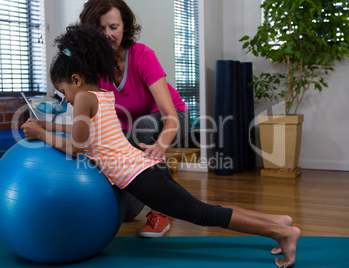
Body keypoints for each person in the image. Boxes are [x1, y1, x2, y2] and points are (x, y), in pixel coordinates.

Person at [21, 23, 301, 268]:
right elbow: (84, 132)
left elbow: (76, 146)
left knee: (204, 214)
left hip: (143, 179)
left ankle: (283, 234)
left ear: (76, 80)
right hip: (146, 170)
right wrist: (44, 125)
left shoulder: (82, 97)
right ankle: (279, 222)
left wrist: (40, 134)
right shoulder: (100, 93)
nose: (66, 99)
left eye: (63, 92)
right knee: (205, 208)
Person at [79, 0, 190, 236]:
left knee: (143, 127)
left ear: (125, 27)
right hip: (129, 129)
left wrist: (161, 145)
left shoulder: (141, 56)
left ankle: (161, 213)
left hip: (172, 117)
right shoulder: (94, 69)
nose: (108, 35)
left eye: (113, 27)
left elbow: (169, 115)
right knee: (128, 211)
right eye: (100, 29)